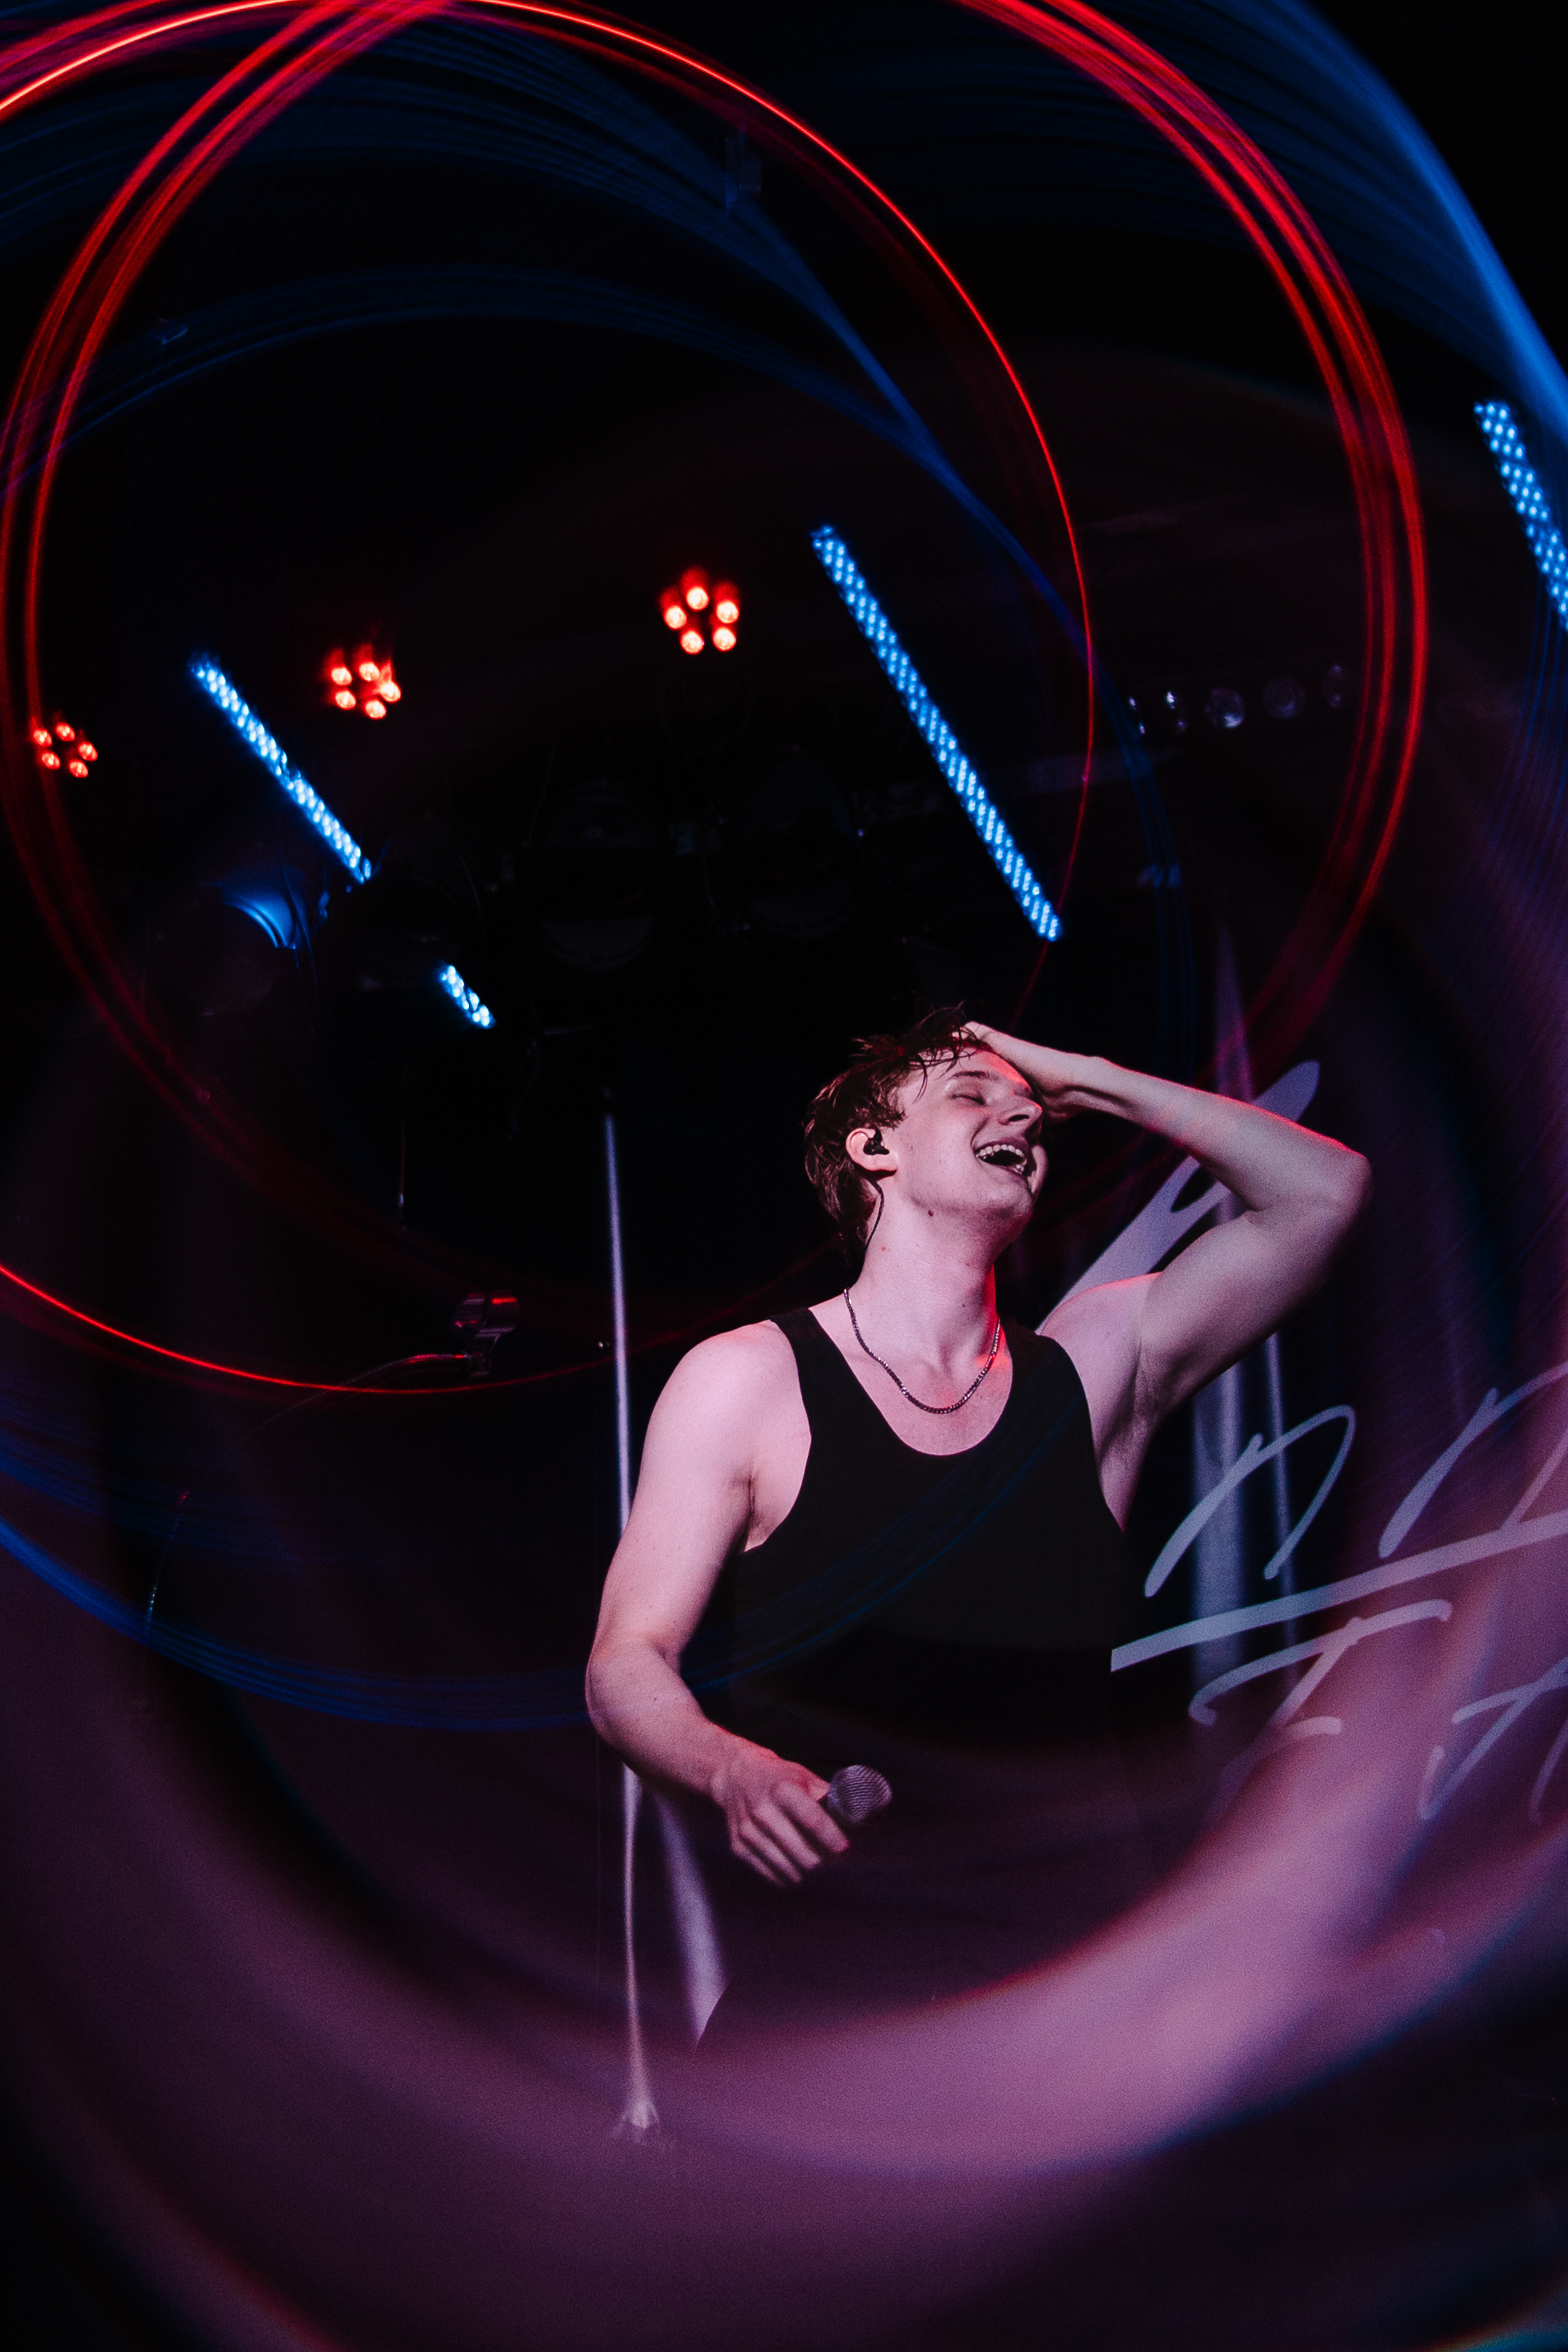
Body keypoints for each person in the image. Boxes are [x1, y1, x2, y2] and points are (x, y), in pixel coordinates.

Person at [586, 1009, 1371, 2034]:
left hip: (1071, 1996)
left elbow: (1322, 1191)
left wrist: (1089, 1077)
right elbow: (626, 1661)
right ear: (874, 1147)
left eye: (1031, 1109)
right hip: (833, 2000)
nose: (1022, 1117)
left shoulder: (1091, 1368)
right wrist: (729, 1768)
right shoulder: (747, 1379)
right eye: (971, 1094)